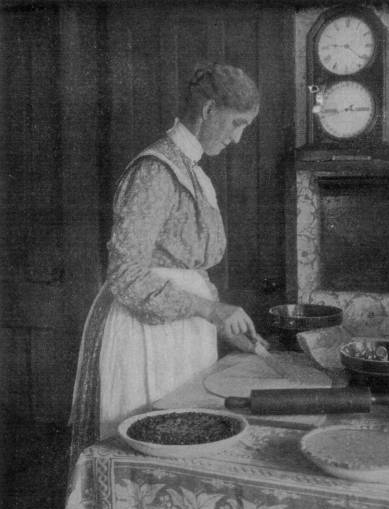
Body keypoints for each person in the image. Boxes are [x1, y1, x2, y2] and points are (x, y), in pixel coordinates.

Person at [69, 62, 262, 466]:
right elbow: (126, 275)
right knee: (149, 451)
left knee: (184, 447)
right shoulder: (155, 170)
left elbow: (188, 270)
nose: (238, 138)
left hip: (183, 332)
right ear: (208, 110)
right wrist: (210, 310)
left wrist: (220, 322)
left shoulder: (193, 172)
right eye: (237, 123)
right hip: (144, 334)